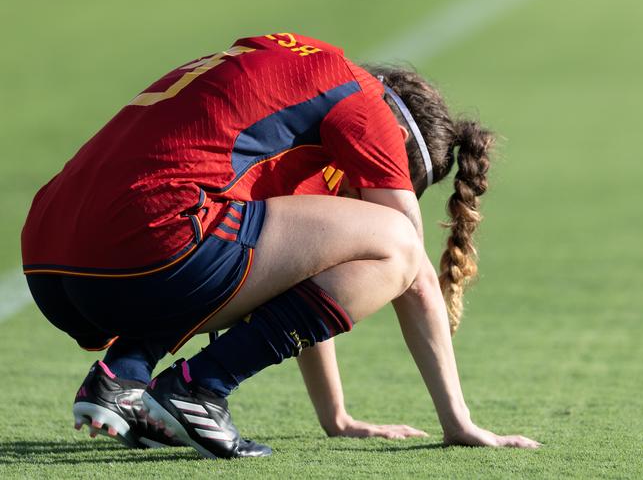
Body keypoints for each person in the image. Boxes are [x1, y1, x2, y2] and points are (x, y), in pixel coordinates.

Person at [21, 32, 539, 458]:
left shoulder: (294, 71)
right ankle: (199, 387)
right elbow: (414, 269)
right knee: (397, 242)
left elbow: (293, 261)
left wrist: (335, 416)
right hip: (150, 248)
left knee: (236, 239)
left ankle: (122, 375)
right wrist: (459, 421)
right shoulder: (367, 107)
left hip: (52, 261)